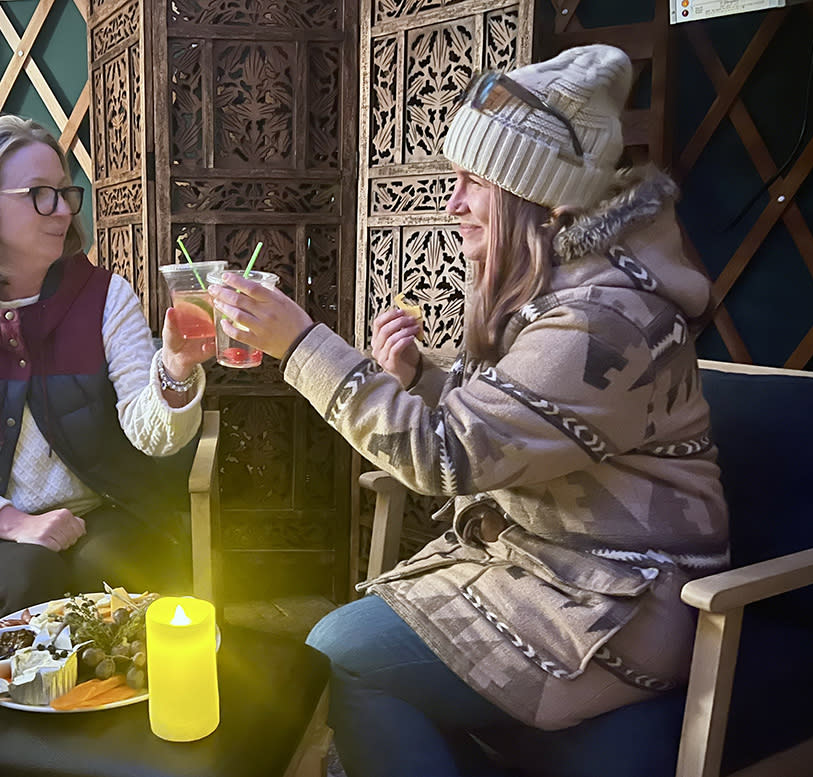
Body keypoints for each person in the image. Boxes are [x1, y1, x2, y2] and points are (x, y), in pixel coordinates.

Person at [208, 45, 728, 777]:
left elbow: (447, 456)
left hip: (618, 601)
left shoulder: (603, 321)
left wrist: (299, 344)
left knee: (343, 649)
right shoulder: (562, 294)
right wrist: (420, 377)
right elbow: (513, 423)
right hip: (550, 569)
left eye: (470, 183)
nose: (451, 205)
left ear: (537, 198)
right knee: (354, 646)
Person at [0, 115, 213, 635]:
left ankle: (117, 713)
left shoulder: (104, 297)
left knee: (119, 573)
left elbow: (151, 435)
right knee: (28, 579)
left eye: (64, 192)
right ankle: (28, 712)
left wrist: (176, 370)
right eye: (39, 194)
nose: (62, 210)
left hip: (97, 510)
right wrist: (16, 524)